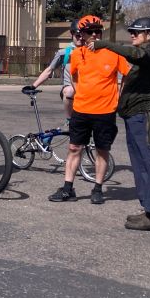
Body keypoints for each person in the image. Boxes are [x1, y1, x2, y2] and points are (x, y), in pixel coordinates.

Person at [89, 17, 150, 230]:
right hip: (138, 116)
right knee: (141, 164)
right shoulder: (149, 58)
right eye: (132, 31)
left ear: (149, 35)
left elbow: (136, 54)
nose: (132, 34)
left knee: (148, 164)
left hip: (147, 115)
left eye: (136, 31)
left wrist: (105, 44)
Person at [49, 15, 130, 205]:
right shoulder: (77, 54)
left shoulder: (113, 53)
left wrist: (119, 96)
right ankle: (68, 189)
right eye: (90, 31)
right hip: (81, 109)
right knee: (74, 148)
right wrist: (80, 92)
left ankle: (98, 188)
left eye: (98, 31)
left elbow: (128, 73)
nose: (94, 34)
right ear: (82, 34)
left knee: (102, 150)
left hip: (105, 111)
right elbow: (75, 76)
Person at [28, 20, 84, 122]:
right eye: (77, 35)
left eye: (83, 35)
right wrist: (33, 86)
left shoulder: (92, 52)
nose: (80, 38)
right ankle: (69, 120)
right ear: (72, 34)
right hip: (70, 90)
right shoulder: (64, 53)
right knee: (69, 91)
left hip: (87, 90)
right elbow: (49, 70)